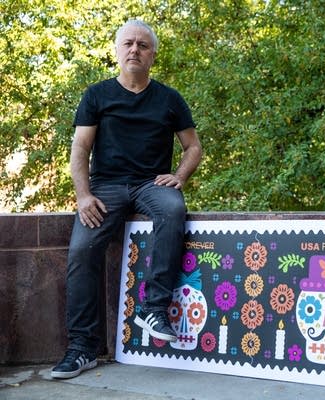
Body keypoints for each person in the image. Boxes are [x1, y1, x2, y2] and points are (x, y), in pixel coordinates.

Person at [51, 19, 202, 379]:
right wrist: (83, 195)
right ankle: (83, 348)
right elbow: (80, 147)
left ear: (152, 55)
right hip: (106, 188)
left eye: (143, 46)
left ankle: (153, 308)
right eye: (128, 44)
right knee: (82, 250)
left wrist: (179, 176)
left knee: (172, 209)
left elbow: (193, 146)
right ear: (117, 51)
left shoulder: (169, 98)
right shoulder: (97, 95)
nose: (135, 50)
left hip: (151, 183)